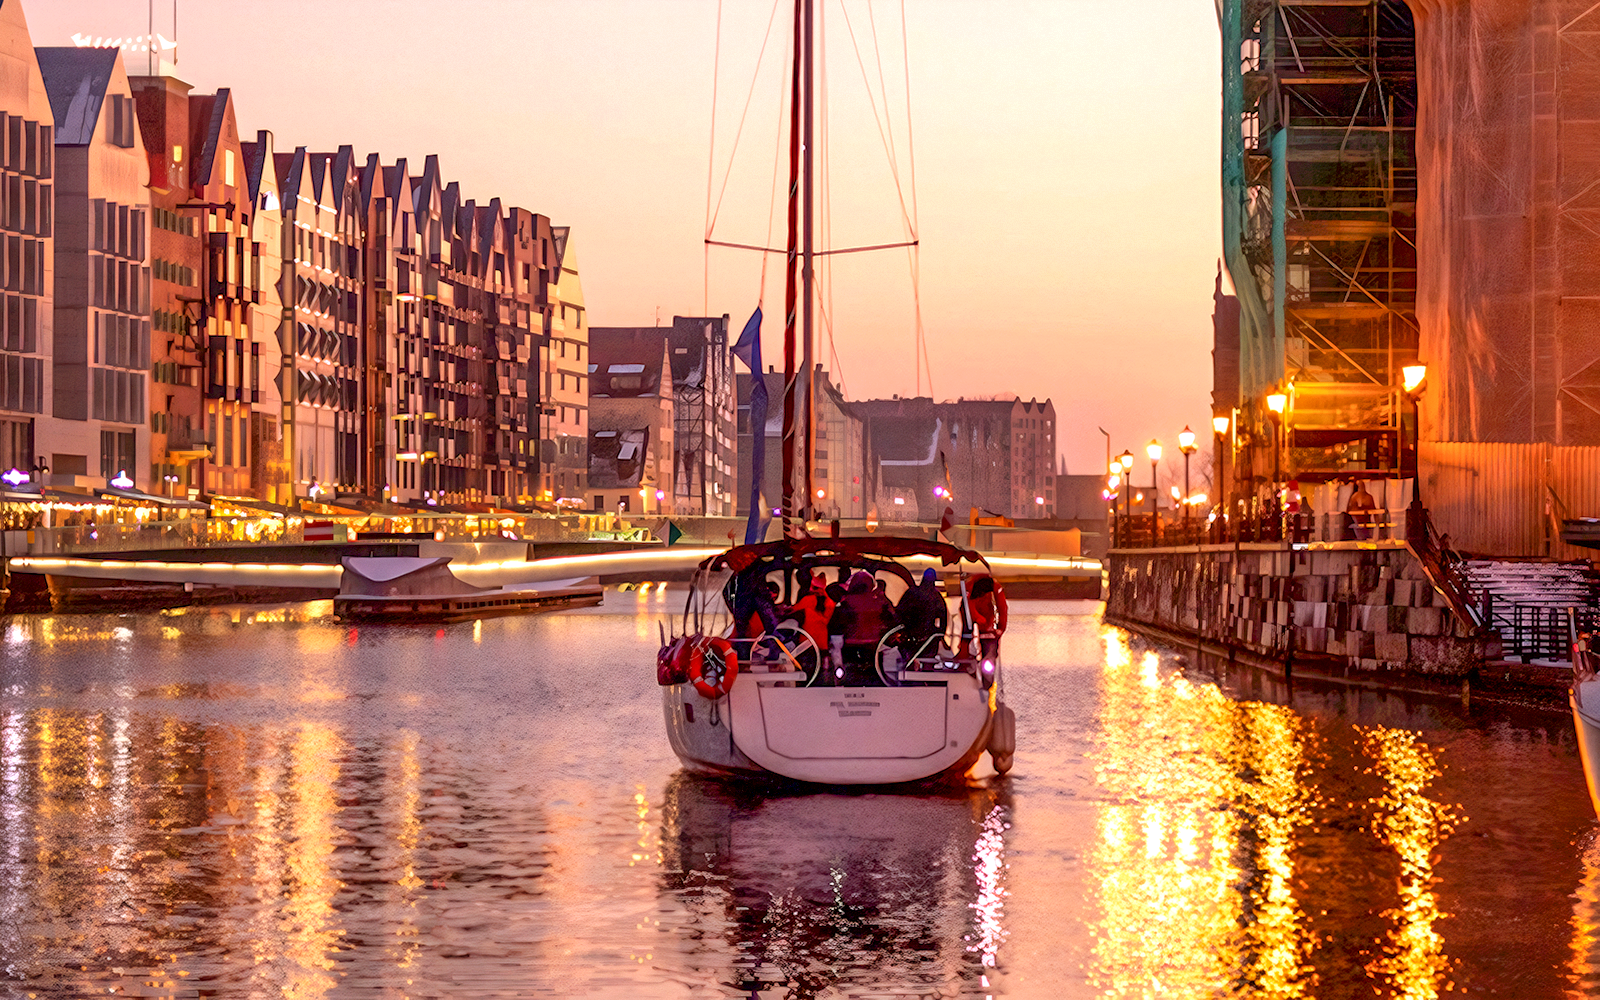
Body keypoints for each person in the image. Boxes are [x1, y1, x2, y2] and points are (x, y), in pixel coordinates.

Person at [829, 570, 898, 684]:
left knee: (849, 683)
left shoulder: (845, 603)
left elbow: (836, 628)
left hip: (850, 649)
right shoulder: (879, 602)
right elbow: (892, 622)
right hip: (874, 649)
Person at [895, 567, 949, 659]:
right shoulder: (935, 596)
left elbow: (899, 611)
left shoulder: (912, 592)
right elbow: (943, 616)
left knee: (910, 663)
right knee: (926, 663)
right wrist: (940, 633)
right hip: (926, 637)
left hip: (912, 636)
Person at [966, 575, 1008, 662]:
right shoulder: (970, 587)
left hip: (988, 630)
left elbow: (1002, 608)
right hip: (973, 627)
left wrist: (1000, 628)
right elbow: (968, 608)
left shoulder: (995, 588)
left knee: (989, 657)